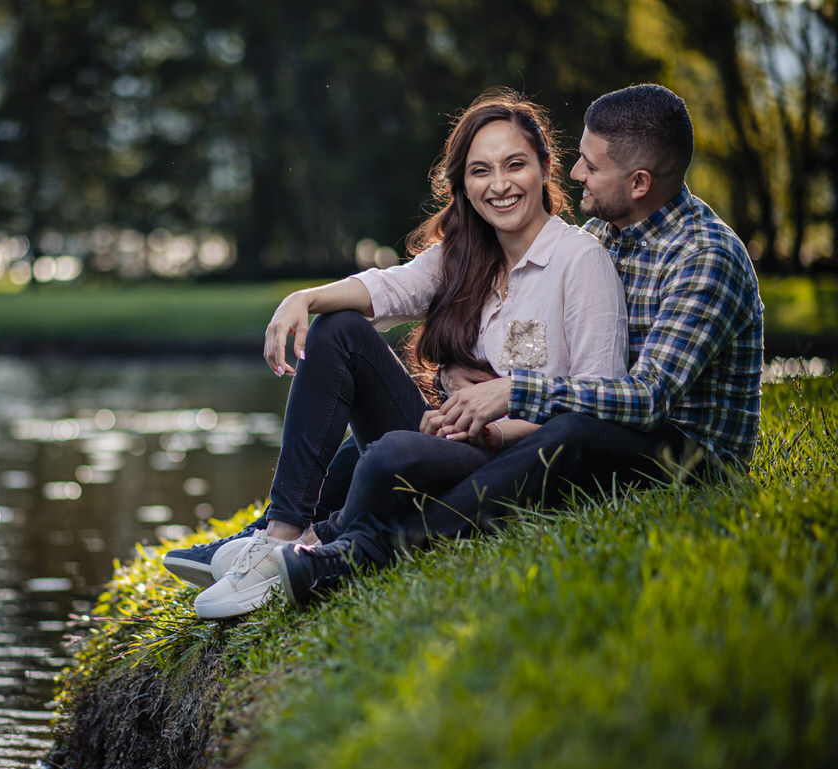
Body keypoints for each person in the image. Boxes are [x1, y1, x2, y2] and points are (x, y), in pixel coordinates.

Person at [265, 83, 764, 609]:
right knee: (371, 435)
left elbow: (647, 397)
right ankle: (271, 538)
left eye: (590, 166)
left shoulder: (704, 257)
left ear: (639, 183)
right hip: (584, 428)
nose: (577, 175)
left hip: (685, 457)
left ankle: (376, 546)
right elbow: (420, 295)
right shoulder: (609, 233)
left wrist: (510, 396)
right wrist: (452, 382)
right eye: (480, 170)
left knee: (570, 431)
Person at [164, 89, 630, 618]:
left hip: (515, 456)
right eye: (480, 171)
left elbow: (598, 406)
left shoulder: (579, 261)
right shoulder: (466, 254)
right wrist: (304, 298)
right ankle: (279, 536)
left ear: (546, 167)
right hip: (454, 436)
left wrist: (492, 424)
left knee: (386, 454)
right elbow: (386, 289)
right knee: (338, 328)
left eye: (514, 165)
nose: (498, 185)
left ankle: (317, 544)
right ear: (463, 184)